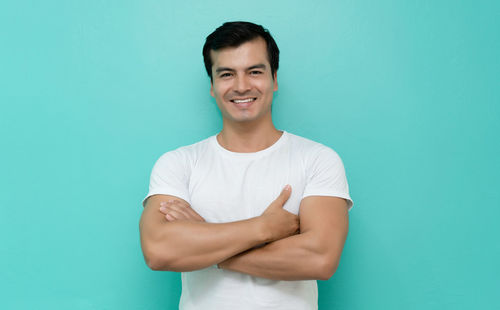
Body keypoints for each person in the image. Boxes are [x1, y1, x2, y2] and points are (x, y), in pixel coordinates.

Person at [139, 21, 353, 310]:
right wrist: (264, 228)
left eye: (255, 71)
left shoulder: (317, 159)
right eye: (227, 74)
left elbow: (320, 259)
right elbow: (159, 250)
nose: (241, 86)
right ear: (212, 86)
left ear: (274, 79)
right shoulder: (179, 163)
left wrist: (206, 245)